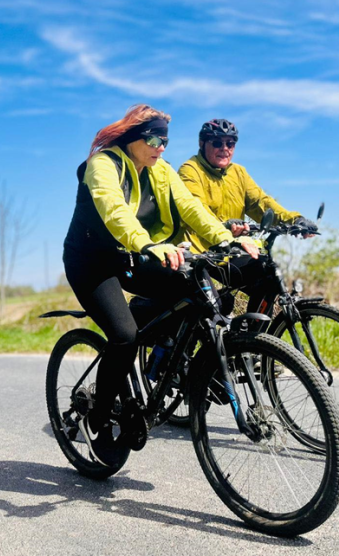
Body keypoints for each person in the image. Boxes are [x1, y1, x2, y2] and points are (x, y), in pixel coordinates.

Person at [63, 104, 259, 466]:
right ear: (133, 137)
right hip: (91, 264)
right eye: (154, 140)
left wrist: (227, 240)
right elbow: (114, 211)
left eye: (165, 141)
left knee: (200, 294)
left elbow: (192, 209)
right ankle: (97, 419)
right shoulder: (103, 165)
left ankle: (166, 357)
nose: (161, 147)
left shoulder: (161, 170)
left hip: (134, 257)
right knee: (124, 336)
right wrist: (148, 244)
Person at [177, 118, 316, 312]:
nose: (224, 149)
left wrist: (294, 220)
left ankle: (250, 332)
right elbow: (197, 210)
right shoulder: (190, 170)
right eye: (217, 143)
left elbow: (262, 203)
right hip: (199, 253)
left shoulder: (238, 172)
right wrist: (225, 226)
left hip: (229, 252)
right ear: (202, 143)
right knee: (212, 309)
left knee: (269, 276)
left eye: (230, 143)